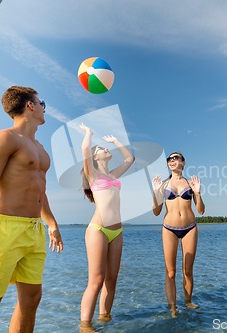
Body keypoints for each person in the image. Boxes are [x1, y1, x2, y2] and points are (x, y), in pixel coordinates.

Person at [0, 86, 64, 333]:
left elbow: (39, 191)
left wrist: (52, 224)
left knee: (31, 301)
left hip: (34, 231)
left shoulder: (40, 148)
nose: (43, 107)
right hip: (5, 230)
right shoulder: (4, 139)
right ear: (30, 105)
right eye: (41, 102)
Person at [79, 123, 135, 332]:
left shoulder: (113, 175)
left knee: (111, 279)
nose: (105, 149)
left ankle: (105, 318)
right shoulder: (93, 174)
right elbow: (85, 150)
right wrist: (88, 133)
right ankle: (85, 325)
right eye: (101, 149)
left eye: (105, 148)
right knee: (96, 280)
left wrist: (116, 142)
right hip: (98, 230)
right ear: (95, 158)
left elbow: (130, 159)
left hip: (117, 232)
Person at [152, 152, 205, 317]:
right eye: (170, 159)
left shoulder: (191, 183)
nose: (172, 160)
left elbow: (201, 211)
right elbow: (156, 212)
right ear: (168, 164)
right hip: (169, 228)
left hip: (190, 227)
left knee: (188, 270)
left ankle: (188, 302)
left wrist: (197, 193)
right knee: (171, 272)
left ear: (183, 162)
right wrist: (155, 192)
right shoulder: (163, 185)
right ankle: (173, 307)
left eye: (176, 158)